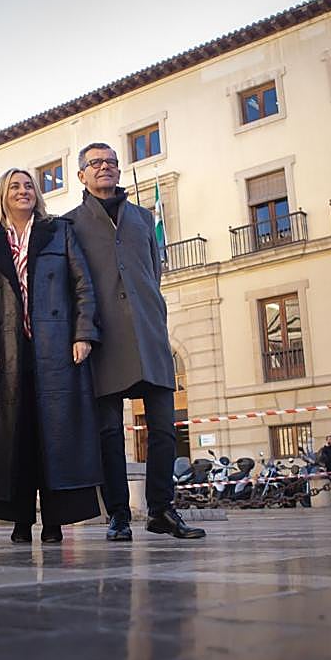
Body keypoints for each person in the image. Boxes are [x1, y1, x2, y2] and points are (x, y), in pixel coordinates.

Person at [66, 143, 205, 541]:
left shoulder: (143, 218)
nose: (105, 168)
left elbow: (153, 272)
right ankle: (118, 516)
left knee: (164, 429)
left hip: (149, 334)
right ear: (82, 176)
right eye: (96, 164)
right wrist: (82, 331)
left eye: (111, 162)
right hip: (101, 338)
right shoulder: (69, 224)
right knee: (109, 433)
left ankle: (162, 510)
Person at [0, 168, 103, 543]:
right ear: (2, 194)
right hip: (8, 351)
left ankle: (56, 521)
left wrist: (83, 334)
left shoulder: (59, 231)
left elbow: (83, 284)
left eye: (29, 185)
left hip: (57, 347)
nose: (23, 191)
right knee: (17, 436)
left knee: (57, 435)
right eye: (15, 186)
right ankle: (20, 520)